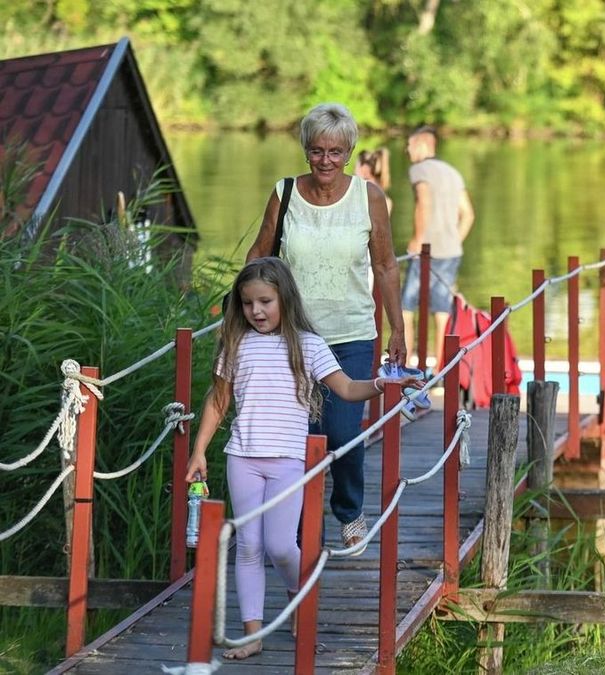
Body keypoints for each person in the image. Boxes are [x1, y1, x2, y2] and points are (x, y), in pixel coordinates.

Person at [184, 257, 421, 661]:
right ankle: (252, 634)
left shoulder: (308, 345)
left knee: (280, 544)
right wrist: (199, 450)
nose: (256, 311)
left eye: (265, 302)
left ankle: (301, 596)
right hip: (242, 457)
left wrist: (383, 383)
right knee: (249, 545)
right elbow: (219, 399)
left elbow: (346, 388)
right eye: (247, 304)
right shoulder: (235, 344)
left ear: (284, 300)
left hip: (289, 462)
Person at [246, 103, 406, 550]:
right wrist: (247, 314)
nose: (326, 161)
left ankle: (349, 509)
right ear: (306, 150)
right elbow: (259, 255)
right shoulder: (285, 194)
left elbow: (387, 264)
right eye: (317, 151)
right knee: (300, 433)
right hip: (291, 335)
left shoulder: (368, 197)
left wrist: (398, 329)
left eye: (336, 152)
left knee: (340, 430)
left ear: (350, 151)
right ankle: (299, 525)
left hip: (351, 333)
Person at [401, 126, 475, 368]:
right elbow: (468, 214)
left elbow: (423, 202)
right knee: (442, 311)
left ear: (422, 145)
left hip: (425, 252)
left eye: (410, 145)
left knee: (405, 308)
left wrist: (417, 239)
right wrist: (455, 240)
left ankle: (405, 365)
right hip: (451, 251)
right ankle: (441, 369)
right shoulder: (453, 173)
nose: (406, 150)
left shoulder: (419, 170)